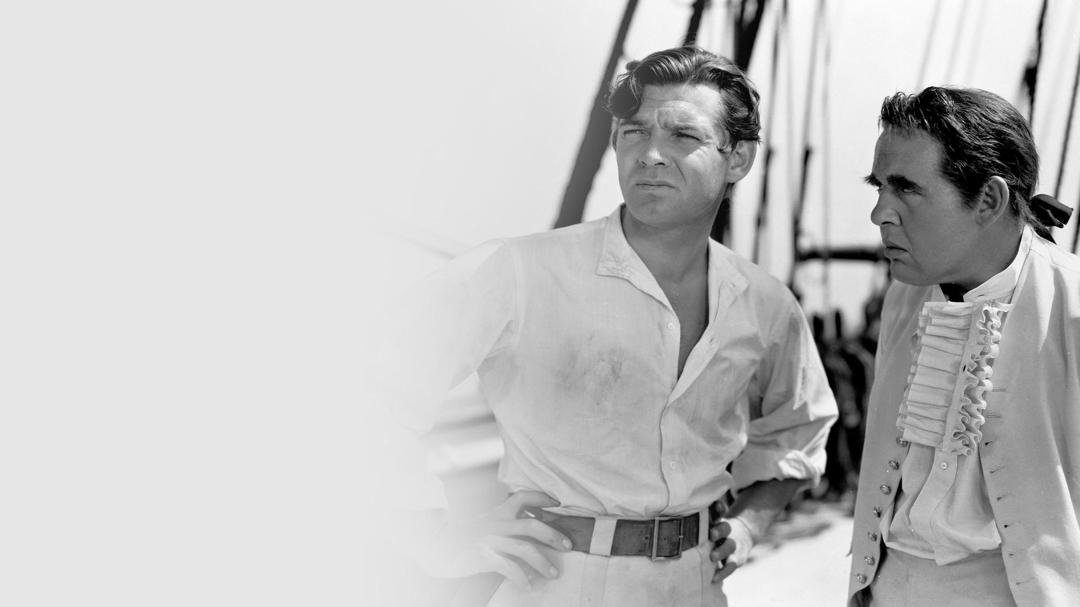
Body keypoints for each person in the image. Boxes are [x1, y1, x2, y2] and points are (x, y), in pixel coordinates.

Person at [376, 46, 837, 607]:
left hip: (695, 586)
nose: (651, 155)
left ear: (737, 158)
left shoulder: (764, 304)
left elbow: (801, 427)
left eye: (683, 136)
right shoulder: (517, 272)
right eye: (634, 132)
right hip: (555, 582)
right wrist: (435, 536)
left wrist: (748, 525)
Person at [849, 86, 1080, 606]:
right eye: (879, 187)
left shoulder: (1072, 309)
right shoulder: (904, 297)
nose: (880, 213)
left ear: (989, 200)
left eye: (906, 189)